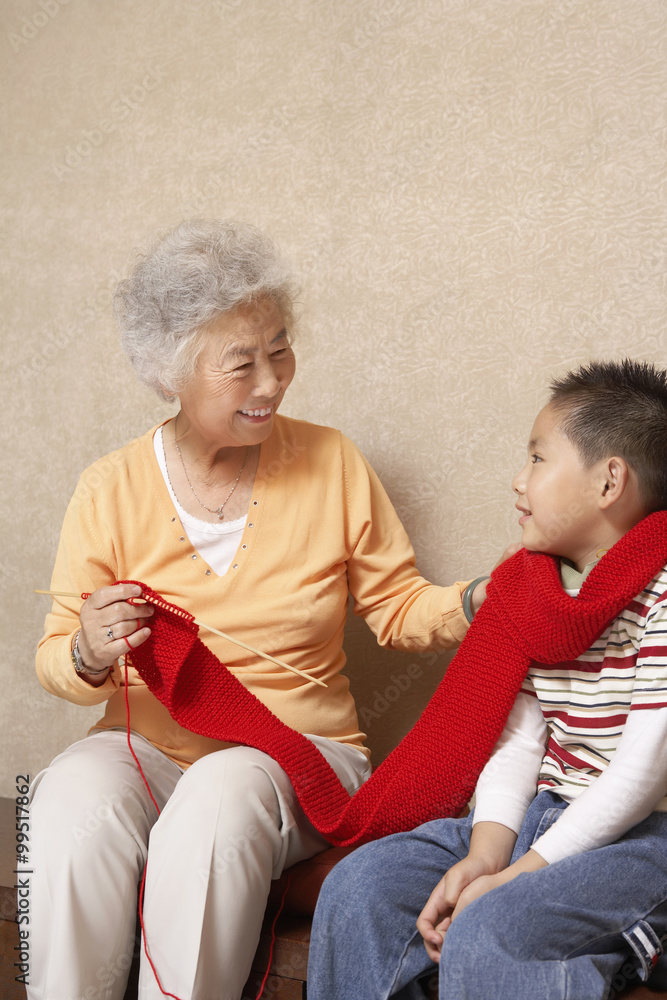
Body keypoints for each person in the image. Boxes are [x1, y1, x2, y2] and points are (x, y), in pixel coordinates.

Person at [28, 219, 494, 1000]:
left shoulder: (332, 461)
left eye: (279, 350)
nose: (272, 381)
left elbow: (399, 609)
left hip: (298, 751)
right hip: (147, 747)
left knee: (223, 793)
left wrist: (479, 602)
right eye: (241, 363)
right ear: (168, 372)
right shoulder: (109, 486)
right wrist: (85, 651)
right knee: (66, 796)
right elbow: (57, 662)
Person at [307, 359, 667, 1000]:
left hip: (644, 840)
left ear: (610, 480)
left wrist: (520, 875)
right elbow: (523, 740)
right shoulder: (534, 587)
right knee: (361, 887)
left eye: (537, 458)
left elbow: (641, 776)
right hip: (544, 817)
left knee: (491, 928)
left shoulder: (662, 596)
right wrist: (486, 854)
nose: (517, 479)